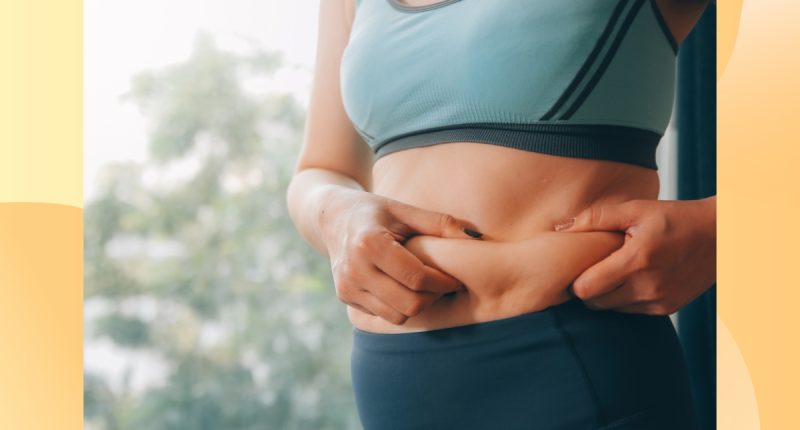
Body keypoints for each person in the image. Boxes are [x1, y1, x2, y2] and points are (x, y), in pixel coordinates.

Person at [286, 0, 715, 428]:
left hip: (573, 366)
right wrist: (336, 214)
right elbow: (322, 170)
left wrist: (721, 228)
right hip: (395, 388)